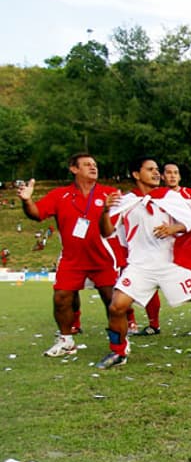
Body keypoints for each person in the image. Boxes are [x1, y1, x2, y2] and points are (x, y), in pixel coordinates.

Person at [95, 156, 191, 369]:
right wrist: (105, 211)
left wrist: (175, 228)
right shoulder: (125, 201)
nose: (157, 173)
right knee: (117, 307)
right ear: (136, 174)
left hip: (172, 262)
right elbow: (106, 232)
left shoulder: (170, 197)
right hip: (140, 265)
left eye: (157, 170)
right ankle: (118, 352)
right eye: (150, 169)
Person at [18, 153, 121, 358]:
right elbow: (36, 214)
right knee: (61, 298)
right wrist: (27, 200)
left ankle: (119, 342)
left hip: (102, 257)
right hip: (72, 258)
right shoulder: (60, 195)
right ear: (73, 169)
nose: (93, 167)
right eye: (87, 165)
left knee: (112, 301)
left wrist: (106, 210)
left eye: (94, 164)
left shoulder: (109, 193)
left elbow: (109, 230)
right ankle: (66, 341)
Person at [131, 162, 191, 336]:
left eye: (176, 173)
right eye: (168, 172)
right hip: (161, 248)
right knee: (150, 284)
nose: (172, 176)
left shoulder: (189, 194)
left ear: (180, 176)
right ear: (163, 176)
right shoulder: (151, 196)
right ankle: (154, 325)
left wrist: (186, 225)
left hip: (186, 247)